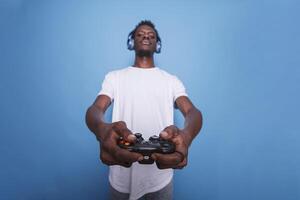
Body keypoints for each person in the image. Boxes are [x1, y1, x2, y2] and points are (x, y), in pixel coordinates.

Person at [85, 20, 203, 200]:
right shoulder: (114, 77)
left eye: (151, 35)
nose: (146, 36)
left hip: (159, 178)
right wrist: (101, 129)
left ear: (157, 44)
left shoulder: (171, 80)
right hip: (120, 175)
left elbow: (192, 112)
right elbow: (96, 109)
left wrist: (186, 135)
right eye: (140, 34)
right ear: (132, 41)